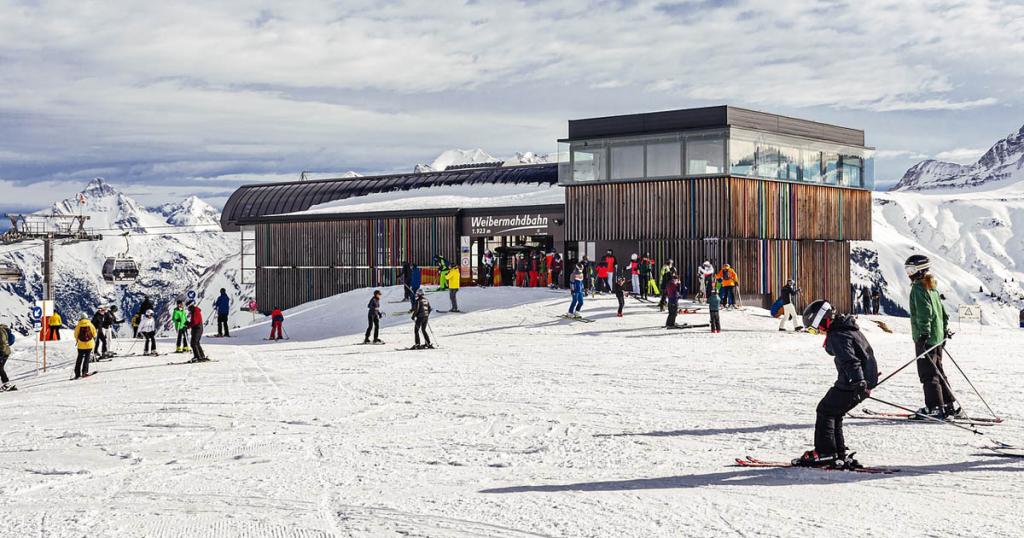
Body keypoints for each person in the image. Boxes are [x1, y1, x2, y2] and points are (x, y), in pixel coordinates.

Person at [793, 300, 878, 469]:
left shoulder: (838, 334)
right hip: (860, 380)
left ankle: (825, 453)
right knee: (834, 412)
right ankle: (837, 452)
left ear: (823, 320)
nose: (817, 332)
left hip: (854, 382)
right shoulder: (848, 328)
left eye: (815, 328)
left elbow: (850, 359)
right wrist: (865, 379)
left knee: (825, 410)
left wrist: (858, 381)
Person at [906, 255, 959, 419]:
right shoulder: (932, 287)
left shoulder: (918, 288)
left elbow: (925, 313)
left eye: (912, 270)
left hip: (926, 338)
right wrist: (943, 331)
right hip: (937, 338)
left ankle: (935, 408)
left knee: (928, 373)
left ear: (921, 270)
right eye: (907, 270)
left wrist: (923, 334)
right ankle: (948, 405)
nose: (909, 273)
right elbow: (942, 313)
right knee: (938, 371)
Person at [72, 313, 97, 380]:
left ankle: (77, 373)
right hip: (89, 345)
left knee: (79, 358)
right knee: (86, 358)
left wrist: (78, 340)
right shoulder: (90, 324)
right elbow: (94, 334)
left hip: (81, 345)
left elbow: (75, 335)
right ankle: (84, 372)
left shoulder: (78, 325)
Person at [0, 321, 14, 391]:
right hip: (5, 352)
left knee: (0, 368)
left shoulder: (1, 331)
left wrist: (1, 352)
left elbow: (2, 342)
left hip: (3, 352)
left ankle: (7, 384)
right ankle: (6, 384)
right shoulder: (4, 330)